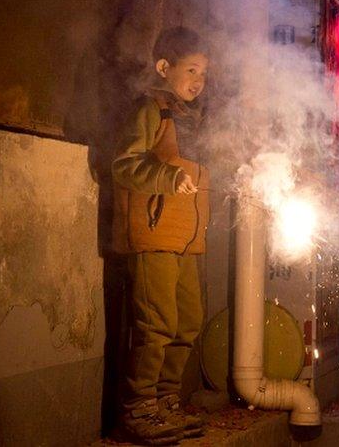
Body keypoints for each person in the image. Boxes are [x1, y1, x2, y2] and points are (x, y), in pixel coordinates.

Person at [111, 26, 210, 444]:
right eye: (191, 69)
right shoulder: (150, 109)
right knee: (156, 325)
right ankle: (138, 410)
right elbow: (124, 165)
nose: (198, 80)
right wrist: (166, 176)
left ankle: (167, 401)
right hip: (154, 237)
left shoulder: (192, 119)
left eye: (204, 73)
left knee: (187, 323)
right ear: (164, 67)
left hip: (185, 241)